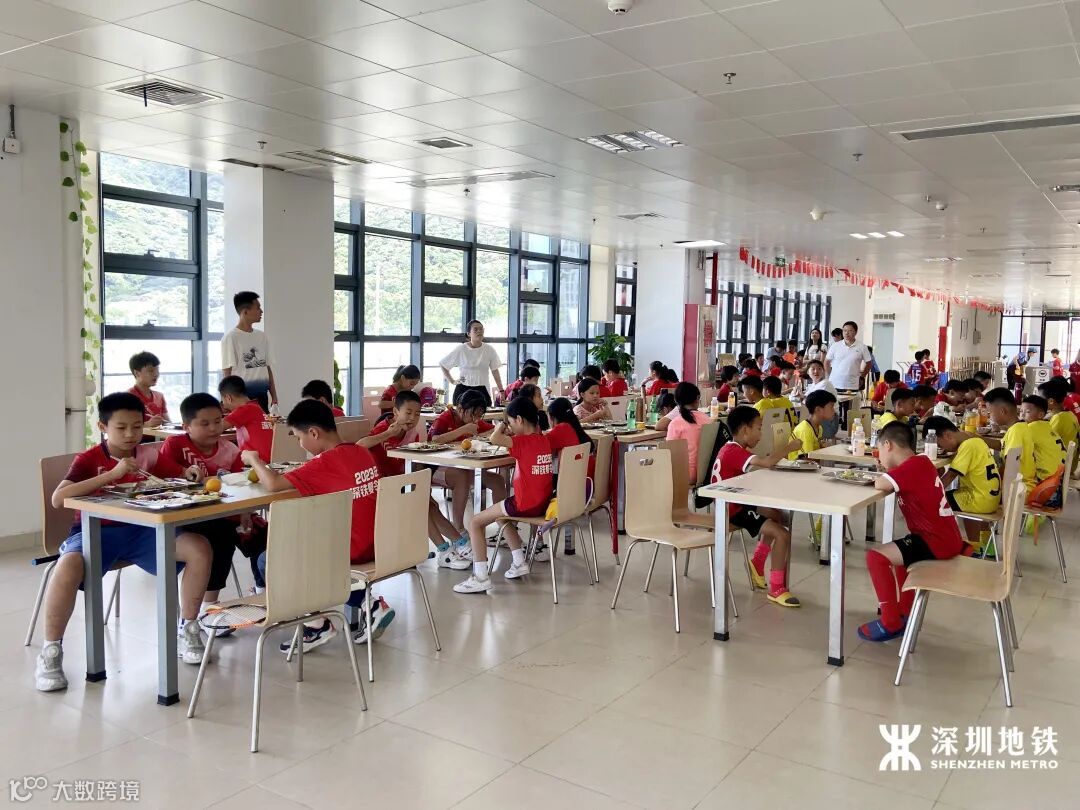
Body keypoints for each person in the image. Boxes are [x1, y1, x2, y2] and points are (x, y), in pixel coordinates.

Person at [35, 393, 211, 691]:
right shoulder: (89, 459)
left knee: (199, 548)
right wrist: (112, 475)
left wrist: (189, 473)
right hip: (95, 532)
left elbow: (177, 474)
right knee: (67, 566)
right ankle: (51, 651)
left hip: (143, 530)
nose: (131, 434)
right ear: (103, 427)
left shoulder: (148, 455)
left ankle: (188, 627)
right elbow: (58, 498)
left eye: (137, 426)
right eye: (121, 427)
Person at [245, 400, 393, 648]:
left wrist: (253, 459)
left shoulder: (324, 463)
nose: (300, 444)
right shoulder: (360, 452)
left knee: (268, 560)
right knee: (308, 548)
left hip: (350, 550)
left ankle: (316, 625)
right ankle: (370, 603)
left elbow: (273, 484)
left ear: (313, 433)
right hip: (377, 543)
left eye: (299, 438)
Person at [857, 422, 966, 642]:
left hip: (935, 541)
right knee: (902, 558)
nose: (879, 457)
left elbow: (881, 484)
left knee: (875, 557)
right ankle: (905, 613)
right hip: (945, 537)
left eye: (879, 450)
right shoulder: (922, 462)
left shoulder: (910, 468)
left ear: (888, 445)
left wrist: (885, 474)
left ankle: (890, 621)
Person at [162, 393, 267, 616]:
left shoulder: (230, 450)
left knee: (265, 535)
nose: (213, 428)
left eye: (218, 421)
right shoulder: (175, 445)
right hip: (189, 518)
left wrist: (246, 511)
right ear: (187, 427)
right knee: (219, 538)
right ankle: (206, 610)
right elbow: (164, 480)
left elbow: (242, 484)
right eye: (205, 423)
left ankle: (264, 593)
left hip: (227, 512)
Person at [454, 397, 553, 593]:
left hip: (524, 504)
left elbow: (494, 439)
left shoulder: (521, 441)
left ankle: (480, 577)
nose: (510, 427)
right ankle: (519, 561)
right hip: (542, 503)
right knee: (500, 515)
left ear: (519, 420)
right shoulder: (544, 440)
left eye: (511, 422)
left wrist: (501, 426)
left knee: (475, 522)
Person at [710, 406, 804, 607]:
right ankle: (776, 588)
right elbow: (767, 462)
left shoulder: (731, 448)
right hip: (732, 509)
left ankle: (757, 563)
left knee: (776, 516)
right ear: (745, 430)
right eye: (759, 428)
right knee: (782, 534)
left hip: (736, 502)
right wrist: (789, 447)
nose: (761, 434)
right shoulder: (733, 451)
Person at [428, 390, 506, 560]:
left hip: (464, 466)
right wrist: (463, 430)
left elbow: (492, 431)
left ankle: (505, 530)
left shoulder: (474, 421)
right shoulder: (445, 418)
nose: (476, 419)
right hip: (436, 468)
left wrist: (490, 432)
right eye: (473, 414)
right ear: (460, 408)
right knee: (461, 476)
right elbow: (433, 440)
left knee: (498, 481)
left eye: (479, 415)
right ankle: (459, 527)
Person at [922, 416, 1001, 545]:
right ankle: (986, 546)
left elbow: (951, 476)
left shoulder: (967, 447)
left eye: (940, 445)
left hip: (979, 500)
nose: (943, 450)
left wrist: (930, 493)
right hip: (990, 498)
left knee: (935, 501)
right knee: (959, 497)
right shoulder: (976, 441)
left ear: (947, 436)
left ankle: (953, 544)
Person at [221, 291, 275, 412]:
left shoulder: (262, 336)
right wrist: (226, 401)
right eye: (258, 308)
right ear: (245, 312)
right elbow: (227, 372)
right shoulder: (231, 338)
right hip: (241, 398)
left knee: (263, 423)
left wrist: (274, 396)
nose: (261, 311)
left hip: (262, 396)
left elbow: (267, 368)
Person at [985, 387, 1036, 497]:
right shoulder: (1019, 426)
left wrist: (995, 483)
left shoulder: (1016, 431)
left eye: (990, 413)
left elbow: (1010, 465)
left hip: (1017, 490)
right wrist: (976, 437)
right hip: (1021, 486)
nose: (989, 417)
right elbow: (1001, 445)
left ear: (1002, 411)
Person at [439, 320, 504, 406]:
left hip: (482, 389)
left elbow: (495, 370)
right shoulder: (461, 349)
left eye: (481, 329)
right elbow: (443, 364)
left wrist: (501, 390)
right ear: (469, 334)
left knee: (484, 413)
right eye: (475, 329)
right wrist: (453, 381)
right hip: (463, 389)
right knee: (461, 414)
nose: (479, 331)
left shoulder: (489, 349)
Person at [218, 375, 274, 463]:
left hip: (257, 464)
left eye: (222, 401)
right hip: (265, 462)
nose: (224, 405)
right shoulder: (255, 407)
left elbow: (217, 427)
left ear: (228, 398)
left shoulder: (245, 410)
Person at [1019, 395, 1067, 488]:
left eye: (1027, 412)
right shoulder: (1047, 426)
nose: (1022, 415)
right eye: (1021, 411)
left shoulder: (1030, 427)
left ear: (1040, 415)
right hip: (1059, 478)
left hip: (1045, 483)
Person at [546, 397, 595, 480]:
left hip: (570, 481)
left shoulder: (561, 429)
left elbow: (540, 448)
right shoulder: (575, 426)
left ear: (552, 417)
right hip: (586, 480)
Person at [665, 382, 706, 477]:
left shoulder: (675, 423)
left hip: (684, 474)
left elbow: (669, 453)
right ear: (697, 398)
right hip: (705, 472)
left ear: (676, 401)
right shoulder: (707, 419)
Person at [825, 321, 871, 391]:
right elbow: (826, 361)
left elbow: (869, 363)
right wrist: (830, 374)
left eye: (850, 331)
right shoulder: (835, 346)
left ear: (855, 332)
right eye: (845, 330)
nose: (847, 333)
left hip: (852, 385)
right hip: (834, 383)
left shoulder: (862, 347)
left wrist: (862, 377)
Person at [1039, 378, 1079, 458]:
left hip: (1060, 463)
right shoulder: (1070, 414)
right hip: (1071, 461)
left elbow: (1045, 443)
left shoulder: (1058, 419)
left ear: (1051, 401)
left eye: (1040, 399)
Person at [128, 351, 169, 427]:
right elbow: (125, 426)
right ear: (137, 373)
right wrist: (148, 424)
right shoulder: (128, 397)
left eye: (157, 370)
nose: (156, 374)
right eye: (151, 370)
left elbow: (168, 423)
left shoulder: (159, 396)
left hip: (160, 435)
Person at [792, 390, 836, 456]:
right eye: (831, 407)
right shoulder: (805, 430)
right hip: (798, 462)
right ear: (818, 409)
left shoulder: (819, 427)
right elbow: (806, 459)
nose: (834, 411)